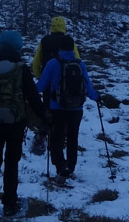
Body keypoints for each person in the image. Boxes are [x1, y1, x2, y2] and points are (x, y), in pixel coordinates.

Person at [0, 30, 45, 216]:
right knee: (12, 161)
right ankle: (10, 204)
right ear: (17, 48)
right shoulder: (21, 69)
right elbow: (33, 97)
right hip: (16, 123)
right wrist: (45, 118)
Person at [35, 35, 99, 181]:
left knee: (56, 138)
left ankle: (60, 166)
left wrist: (26, 92)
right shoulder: (80, 64)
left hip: (57, 108)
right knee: (72, 137)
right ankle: (70, 167)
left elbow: (41, 85)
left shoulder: (52, 63)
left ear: (59, 48)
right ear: (72, 48)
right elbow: (88, 86)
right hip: (76, 108)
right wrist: (96, 96)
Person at [29, 17, 81, 156]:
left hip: (48, 84)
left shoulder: (44, 41)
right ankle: (59, 139)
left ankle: (44, 133)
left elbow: (35, 62)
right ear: (64, 27)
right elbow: (77, 59)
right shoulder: (69, 42)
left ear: (52, 26)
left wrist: (41, 77)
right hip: (67, 85)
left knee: (47, 109)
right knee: (64, 109)